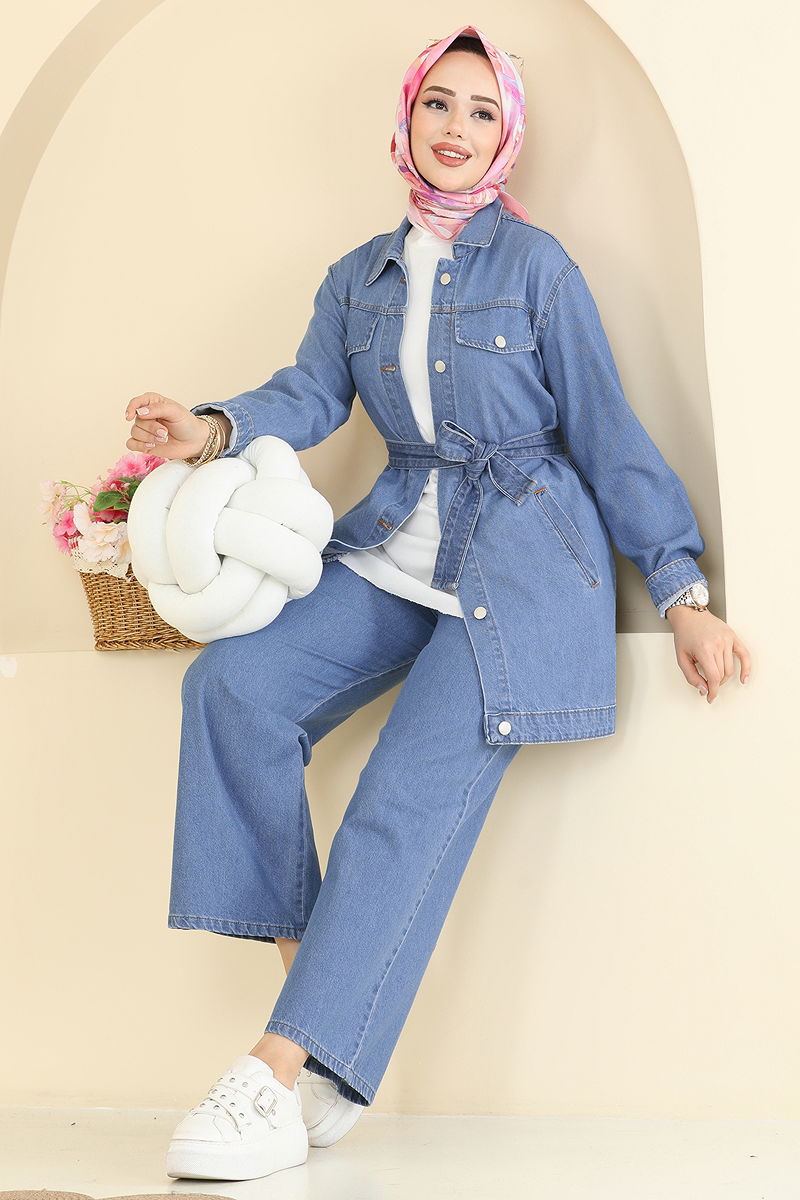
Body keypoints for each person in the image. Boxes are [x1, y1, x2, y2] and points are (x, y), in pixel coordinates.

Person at [123, 23, 751, 1184]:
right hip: (392, 551)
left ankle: (274, 1071)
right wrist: (209, 429)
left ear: (505, 134)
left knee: (398, 795)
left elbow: (605, 429)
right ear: (406, 118)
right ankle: (318, 1012)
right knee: (231, 691)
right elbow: (308, 394)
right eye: (437, 104)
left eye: (479, 110)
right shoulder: (355, 278)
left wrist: (680, 592)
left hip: (519, 570)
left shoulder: (538, 269)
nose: (455, 128)